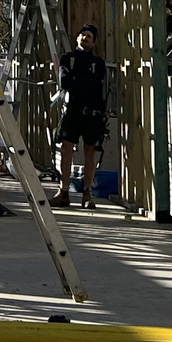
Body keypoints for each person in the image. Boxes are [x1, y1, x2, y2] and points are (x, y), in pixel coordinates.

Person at [55, 26, 108, 209]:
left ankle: (87, 195)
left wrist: (77, 80)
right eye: (83, 35)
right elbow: (64, 81)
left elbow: (96, 84)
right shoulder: (67, 59)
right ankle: (63, 192)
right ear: (77, 38)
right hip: (73, 112)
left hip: (92, 115)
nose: (85, 38)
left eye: (89, 36)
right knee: (66, 150)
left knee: (90, 153)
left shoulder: (98, 63)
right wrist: (85, 80)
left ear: (94, 42)